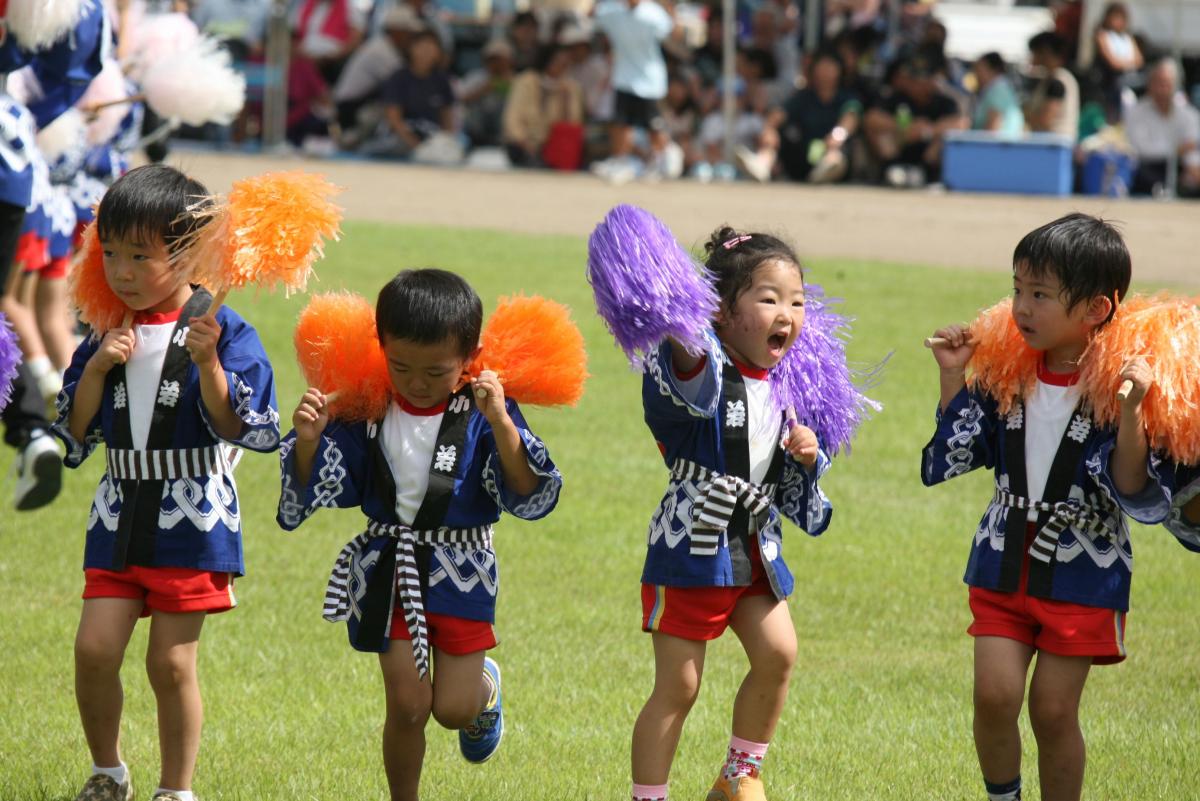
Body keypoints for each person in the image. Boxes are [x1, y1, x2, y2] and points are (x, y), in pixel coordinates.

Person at [277, 269, 563, 801]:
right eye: (400, 364)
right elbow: (323, 481)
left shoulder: (483, 409)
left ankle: (484, 689)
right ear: (379, 346)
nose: (415, 382)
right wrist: (309, 440)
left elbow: (527, 489)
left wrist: (501, 422)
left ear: (471, 356)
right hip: (390, 563)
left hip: (463, 565)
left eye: (436, 371)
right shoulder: (365, 403)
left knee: (452, 710)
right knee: (407, 705)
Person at [50, 164, 280, 801]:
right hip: (119, 511)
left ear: (190, 253)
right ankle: (107, 770)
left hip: (192, 516)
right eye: (113, 253)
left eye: (140, 256)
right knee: (94, 649)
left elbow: (247, 427)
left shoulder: (225, 330)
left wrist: (208, 364)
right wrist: (95, 369)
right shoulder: (105, 330)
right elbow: (74, 433)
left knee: (170, 662)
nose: (122, 270)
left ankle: (176, 790)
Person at [922, 213, 1167, 801]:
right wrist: (953, 378)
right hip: (1003, 559)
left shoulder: (1117, 386)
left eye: (1039, 294)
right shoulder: (1006, 373)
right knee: (994, 696)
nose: (1021, 307)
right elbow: (959, 450)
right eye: (1016, 290)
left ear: (1096, 310)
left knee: (1053, 712)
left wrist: (1134, 412)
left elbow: (1132, 484)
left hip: (1083, 571)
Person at [629, 229, 832, 801]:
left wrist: (807, 451)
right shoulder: (702, 368)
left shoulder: (790, 382)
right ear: (720, 310)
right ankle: (649, 797)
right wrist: (678, 317)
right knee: (680, 685)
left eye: (796, 301)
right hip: (693, 543)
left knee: (779, 653)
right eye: (768, 298)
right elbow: (686, 368)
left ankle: (738, 776)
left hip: (753, 543)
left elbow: (793, 481)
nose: (786, 314)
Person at [591, 0, 676, 180]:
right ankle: (620, 161)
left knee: (653, 127)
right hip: (623, 77)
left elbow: (673, 32)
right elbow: (592, 14)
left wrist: (670, 9)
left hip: (649, 80)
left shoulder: (653, 14)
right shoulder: (611, 10)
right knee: (621, 123)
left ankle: (663, 159)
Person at [756, 47, 862, 184]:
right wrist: (769, 129)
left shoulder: (847, 97)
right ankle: (762, 164)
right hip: (802, 156)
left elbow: (850, 117)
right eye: (822, 67)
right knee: (777, 137)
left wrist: (838, 135)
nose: (825, 72)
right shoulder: (803, 97)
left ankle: (827, 169)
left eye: (830, 67)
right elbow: (779, 114)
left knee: (836, 154)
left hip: (833, 150)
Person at [1123, 59, 1200, 196]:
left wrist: (1192, 169)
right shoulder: (1136, 112)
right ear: (1150, 84)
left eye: (1167, 84)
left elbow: (1192, 149)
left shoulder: (1188, 115)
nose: (1162, 89)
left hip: (1183, 169)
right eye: (1159, 83)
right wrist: (1177, 150)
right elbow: (1142, 150)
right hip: (1149, 169)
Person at [501, 42, 584, 166]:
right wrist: (525, 142)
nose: (561, 67)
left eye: (565, 64)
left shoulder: (571, 88)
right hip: (523, 145)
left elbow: (574, 124)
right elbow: (512, 119)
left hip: (554, 147)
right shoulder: (526, 81)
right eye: (557, 62)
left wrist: (565, 100)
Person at [1093, 2, 1143, 122]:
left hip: (1130, 81)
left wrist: (1123, 63)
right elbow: (1112, 63)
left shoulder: (1128, 38)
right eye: (1115, 17)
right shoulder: (1102, 35)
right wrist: (1128, 63)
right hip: (1110, 82)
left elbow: (1139, 60)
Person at [1026, 32, 1080, 140]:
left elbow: (1046, 119)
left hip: (1054, 145)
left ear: (1045, 51)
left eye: (1034, 52)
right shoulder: (1053, 78)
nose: (1032, 58)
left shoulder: (1058, 81)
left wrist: (1027, 115)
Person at [970, 52, 1023, 137]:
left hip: (998, 148)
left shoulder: (999, 91)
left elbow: (993, 128)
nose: (975, 74)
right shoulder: (997, 89)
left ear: (993, 69)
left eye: (978, 69)